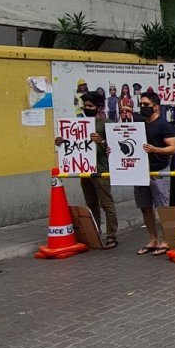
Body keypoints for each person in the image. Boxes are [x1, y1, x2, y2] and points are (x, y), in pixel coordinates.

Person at [54, 91, 118, 249]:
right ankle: (94, 233)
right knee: (91, 204)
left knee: (106, 203)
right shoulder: (78, 124)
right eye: (85, 106)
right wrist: (61, 142)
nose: (86, 108)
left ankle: (112, 235)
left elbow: (115, 148)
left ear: (98, 107)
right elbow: (71, 143)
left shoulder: (106, 124)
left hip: (101, 169)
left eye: (90, 106)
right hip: (85, 169)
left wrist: (101, 141)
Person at [134, 91, 175, 256]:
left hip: (159, 170)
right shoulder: (139, 124)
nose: (143, 107)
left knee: (162, 207)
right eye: (141, 104)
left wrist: (156, 149)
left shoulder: (163, 125)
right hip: (140, 171)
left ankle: (166, 239)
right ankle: (153, 238)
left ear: (156, 107)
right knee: (145, 206)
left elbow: (173, 148)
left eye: (146, 105)